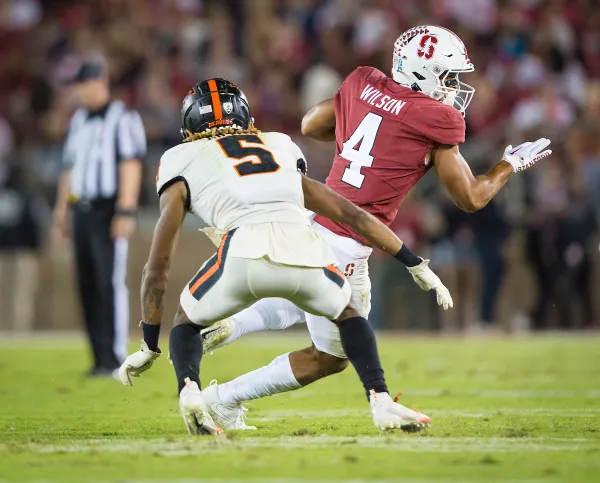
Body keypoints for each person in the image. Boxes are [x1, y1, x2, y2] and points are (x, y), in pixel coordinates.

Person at [195, 26, 552, 430]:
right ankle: (223, 398)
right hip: (347, 243)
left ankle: (233, 323)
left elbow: (311, 124)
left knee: (309, 295)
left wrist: (361, 125)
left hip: (312, 223)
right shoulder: (437, 120)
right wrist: (510, 164)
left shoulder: (363, 81)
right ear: (423, 72)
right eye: (449, 77)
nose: (454, 87)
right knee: (330, 357)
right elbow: (471, 197)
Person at [118, 78, 453, 435]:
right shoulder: (279, 144)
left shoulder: (177, 159)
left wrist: (149, 345)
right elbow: (350, 213)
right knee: (349, 314)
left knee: (187, 321)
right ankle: (381, 400)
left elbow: (157, 267)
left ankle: (189, 389)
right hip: (306, 247)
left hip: (241, 255)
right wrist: (413, 261)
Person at [51, 59, 147, 377]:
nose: (86, 90)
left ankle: (114, 354)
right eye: (81, 84)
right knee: (88, 283)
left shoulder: (122, 117)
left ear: (102, 83)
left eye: (90, 83)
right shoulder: (79, 119)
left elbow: (131, 163)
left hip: (108, 208)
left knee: (110, 282)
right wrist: (61, 212)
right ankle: (98, 356)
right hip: (83, 208)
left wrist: (125, 209)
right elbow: (70, 168)